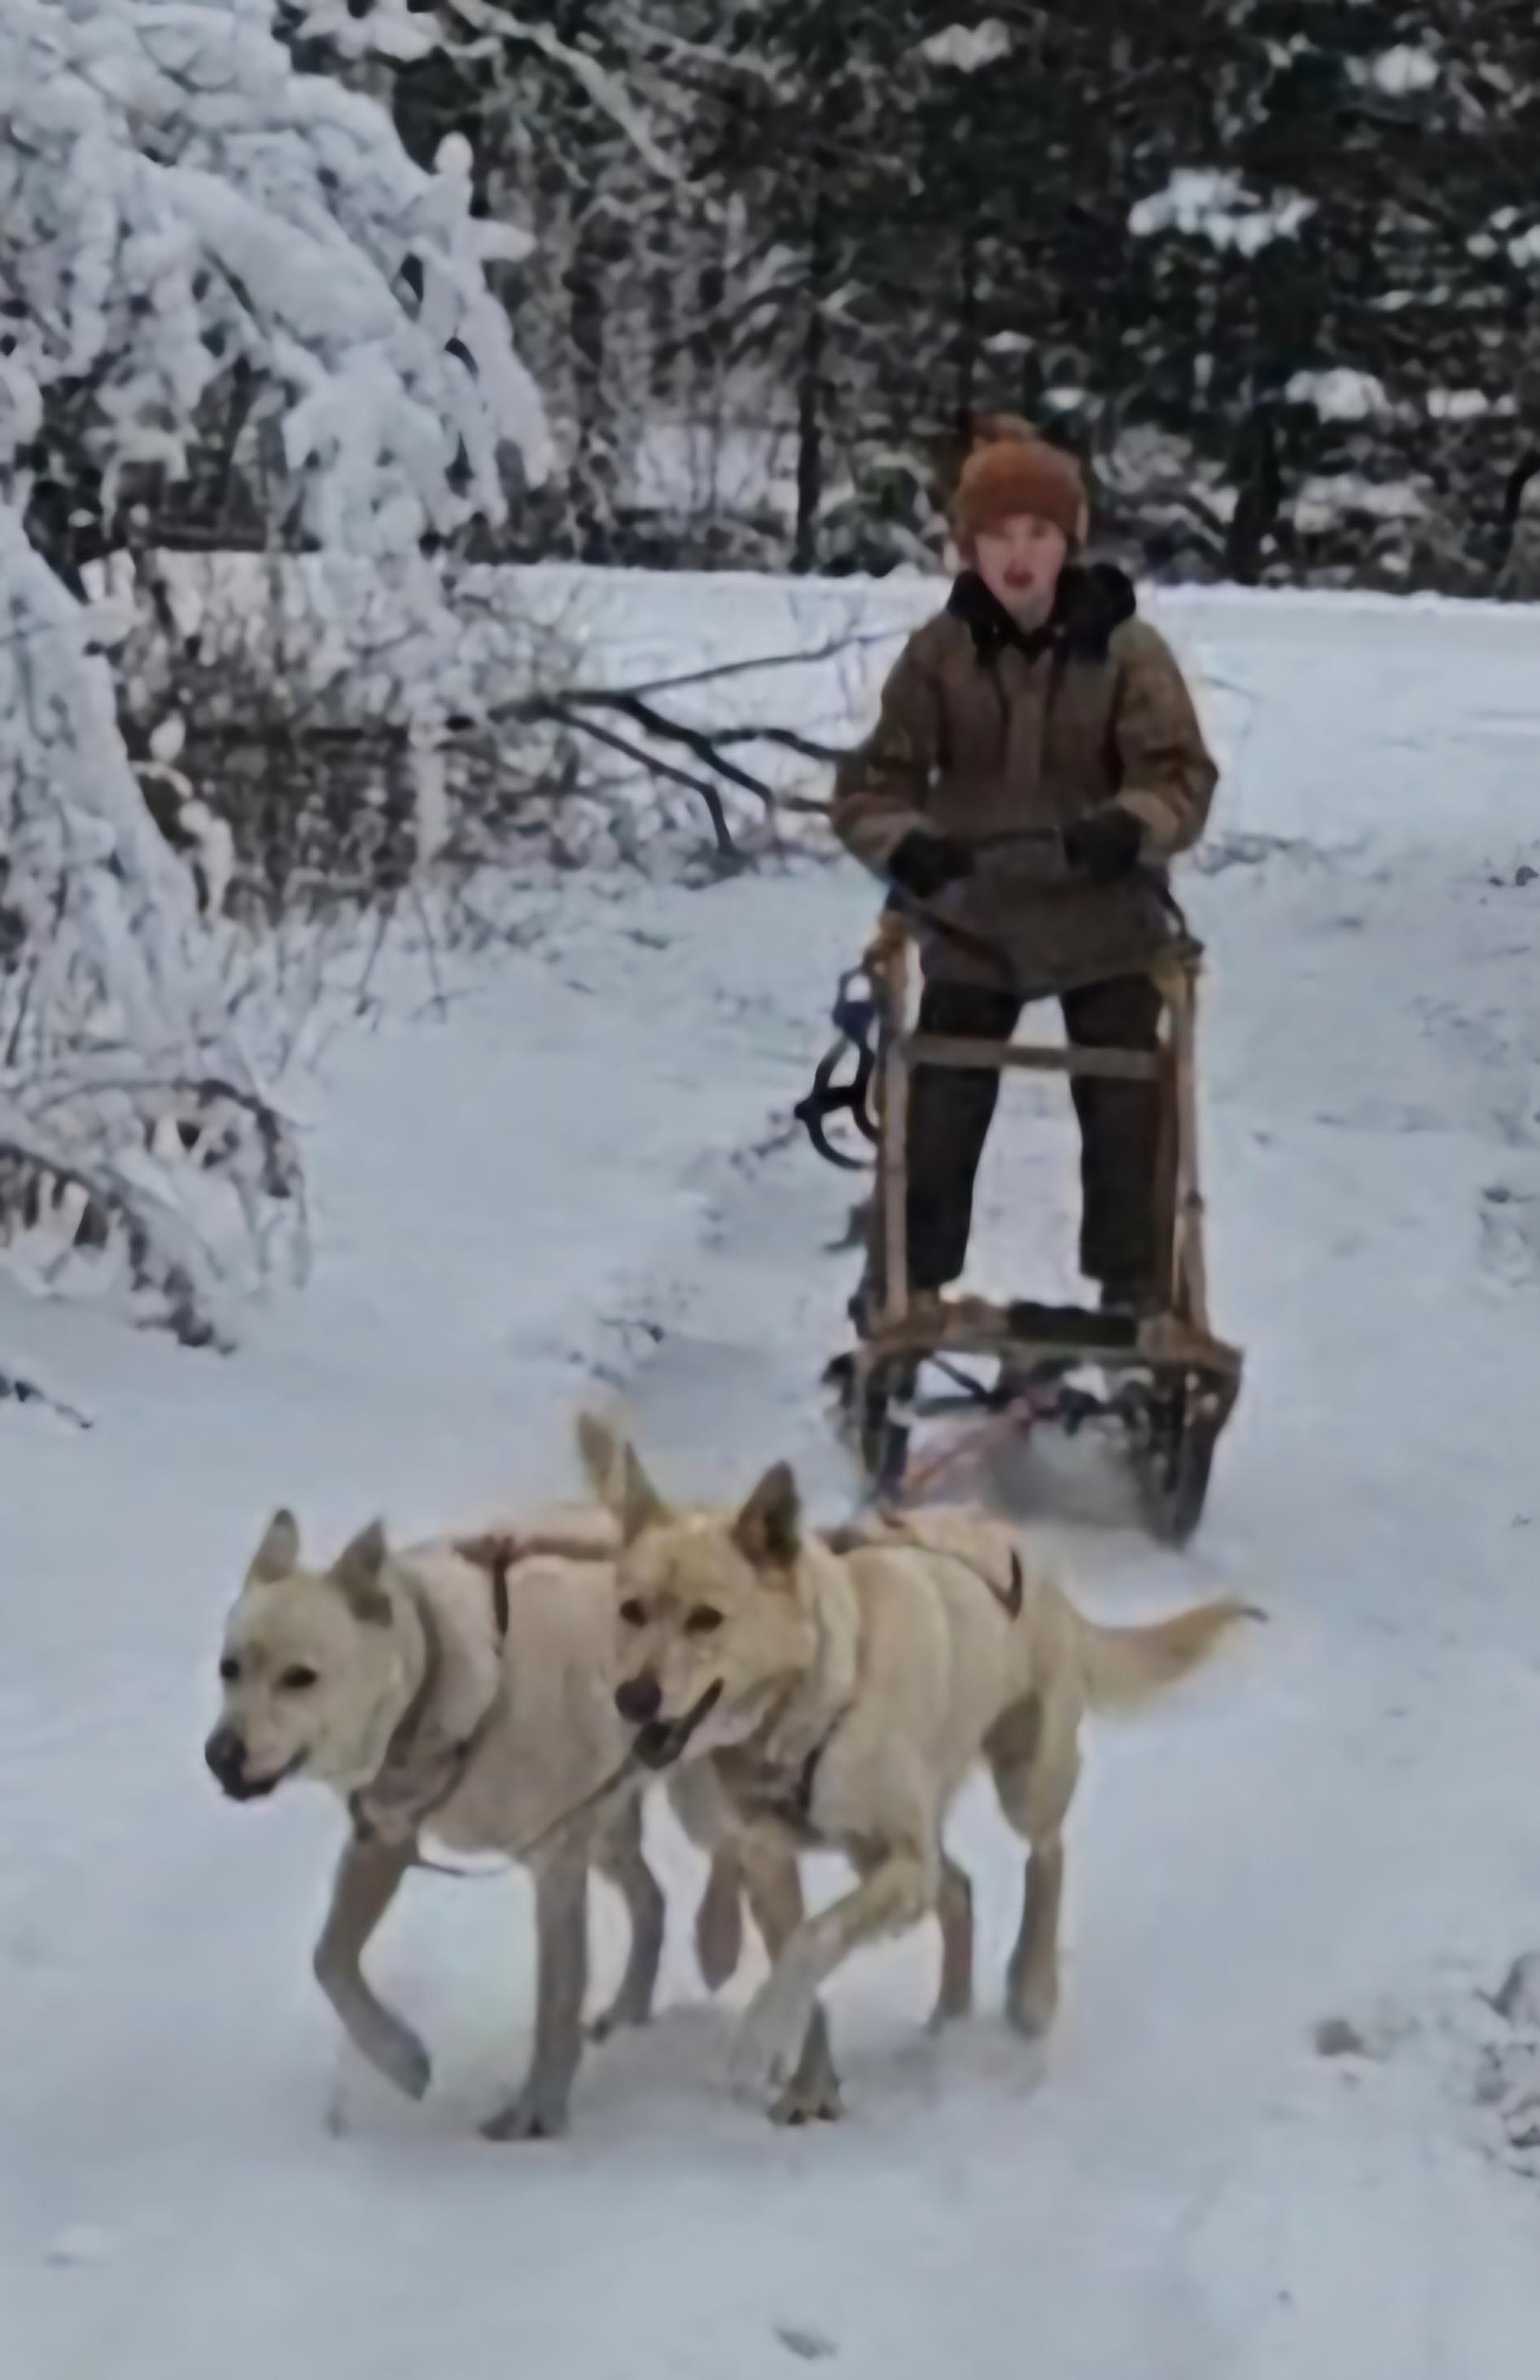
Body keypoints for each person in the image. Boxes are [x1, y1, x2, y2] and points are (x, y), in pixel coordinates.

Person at [831, 430, 1217, 1322]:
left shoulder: (1128, 654)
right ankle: (905, 1285)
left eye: (1036, 534)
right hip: (973, 916)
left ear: (1068, 544)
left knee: (1128, 1092)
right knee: (938, 1096)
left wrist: (1132, 825)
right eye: (996, 535)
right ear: (967, 548)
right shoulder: (938, 654)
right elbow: (870, 785)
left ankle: (1135, 1294)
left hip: (1103, 917)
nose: (1017, 556)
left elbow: (1178, 775)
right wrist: (905, 842)